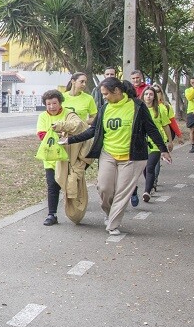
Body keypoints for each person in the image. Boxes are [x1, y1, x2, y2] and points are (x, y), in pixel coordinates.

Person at [65, 78, 171, 235]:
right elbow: (93, 130)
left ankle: (113, 224)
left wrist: (163, 149)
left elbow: (151, 128)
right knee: (104, 188)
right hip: (108, 154)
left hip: (132, 157)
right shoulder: (104, 108)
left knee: (122, 192)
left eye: (106, 94)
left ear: (117, 91)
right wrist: (69, 139)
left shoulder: (137, 106)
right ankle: (109, 213)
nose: (104, 97)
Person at [36, 90, 86, 225]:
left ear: (60, 103)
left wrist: (61, 131)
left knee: (71, 185)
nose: (51, 106)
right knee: (52, 185)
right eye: (48, 104)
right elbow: (41, 135)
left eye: (54, 103)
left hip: (68, 158)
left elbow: (78, 126)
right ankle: (52, 214)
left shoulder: (68, 114)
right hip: (51, 158)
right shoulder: (42, 117)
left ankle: (76, 212)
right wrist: (59, 136)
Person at [137, 86, 172, 202]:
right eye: (146, 94)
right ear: (143, 96)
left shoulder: (160, 109)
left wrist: (169, 141)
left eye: (151, 94)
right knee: (144, 168)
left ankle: (147, 191)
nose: (148, 96)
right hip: (142, 143)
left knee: (150, 166)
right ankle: (150, 184)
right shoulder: (138, 109)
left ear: (155, 97)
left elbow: (166, 125)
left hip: (156, 143)